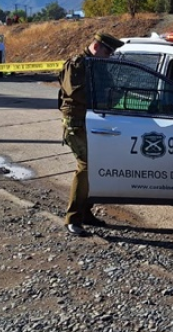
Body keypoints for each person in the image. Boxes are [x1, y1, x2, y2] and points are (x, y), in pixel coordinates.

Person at [58, 32, 125, 237]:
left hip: (93, 121)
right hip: (76, 123)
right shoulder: (77, 64)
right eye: (108, 51)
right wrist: (104, 98)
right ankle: (73, 218)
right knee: (86, 166)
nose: (109, 55)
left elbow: (109, 90)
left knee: (96, 166)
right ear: (96, 47)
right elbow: (77, 93)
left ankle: (85, 212)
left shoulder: (99, 65)